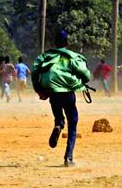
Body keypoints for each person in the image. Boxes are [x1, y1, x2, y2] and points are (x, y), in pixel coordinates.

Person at [31, 31, 92, 167]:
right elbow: (86, 75)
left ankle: (58, 125)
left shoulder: (45, 56)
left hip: (53, 92)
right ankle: (68, 158)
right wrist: (81, 80)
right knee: (73, 121)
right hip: (68, 92)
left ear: (54, 43)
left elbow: (35, 72)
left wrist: (39, 90)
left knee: (58, 117)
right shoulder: (72, 57)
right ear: (67, 43)